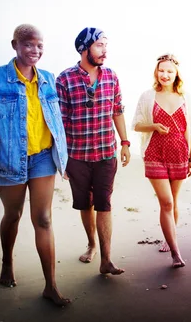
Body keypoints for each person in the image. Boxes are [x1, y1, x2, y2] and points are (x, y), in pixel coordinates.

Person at [0, 24, 70, 306]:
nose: (34, 50)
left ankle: (50, 286)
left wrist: (64, 156)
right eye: (28, 44)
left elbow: (56, 122)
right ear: (15, 44)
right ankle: (6, 262)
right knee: (13, 215)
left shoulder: (49, 79)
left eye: (39, 45)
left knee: (44, 219)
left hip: (42, 158)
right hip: (9, 158)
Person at [56, 27, 131, 276]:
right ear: (84, 48)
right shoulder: (65, 79)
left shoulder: (111, 76)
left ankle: (106, 259)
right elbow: (61, 123)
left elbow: (117, 110)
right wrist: (62, 159)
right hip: (77, 156)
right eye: (100, 45)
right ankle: (91, 244)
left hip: (106, 154)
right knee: (85, 204)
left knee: (104, 204)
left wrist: (125, 142)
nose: (105, 51)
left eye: (105, 45)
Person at [132, 53, 191, 268]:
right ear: (156, 72)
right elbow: (137, 124)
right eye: (161, 70)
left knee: (174, 201)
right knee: (166, 202)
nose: (165, 75)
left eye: (169, 71)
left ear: (176, 73)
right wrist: (154, 127)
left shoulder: (184, 97)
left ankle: (169, 241)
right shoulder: (147, 96)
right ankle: (176, 253)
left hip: (179, 153)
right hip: (154, 153)